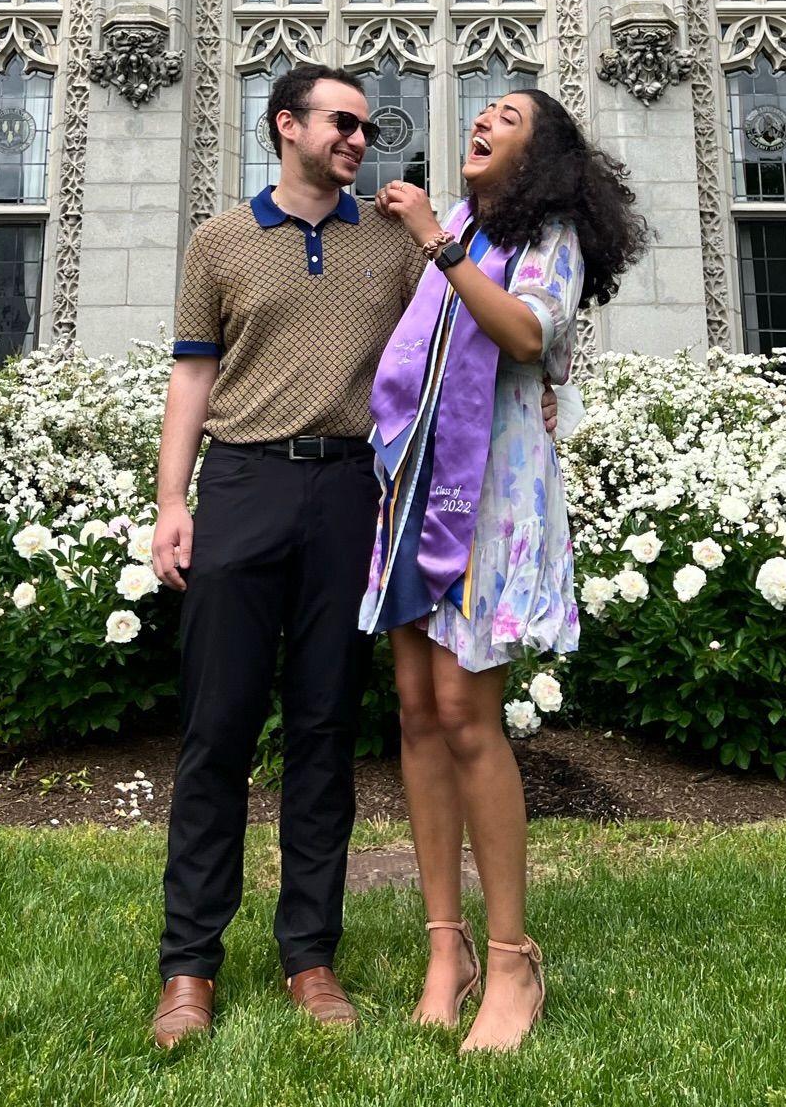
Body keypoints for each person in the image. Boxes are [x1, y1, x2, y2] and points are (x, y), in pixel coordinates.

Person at [146, 64, 559, 1049]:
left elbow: (467, 333)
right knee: (218, 732)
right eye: (343, 123)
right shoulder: (218, 242)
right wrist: (170, 500)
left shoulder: (396, 244)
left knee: (325, 734)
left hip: (354, 500)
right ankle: (189, 969)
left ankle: (310, 958)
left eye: (368, 128)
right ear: (285, 126)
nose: (360, 140)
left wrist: (546, 402)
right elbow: (191, 379)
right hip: (242, 484)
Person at [362, 88, 646, 1053]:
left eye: (507, 117)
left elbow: (525, 336)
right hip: (416, 488)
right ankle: (447, 951)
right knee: (413, 710)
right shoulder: (463, 235)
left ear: (540, 155)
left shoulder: (544, 237)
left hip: (489, 501)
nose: (481, 120)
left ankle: (512, 954)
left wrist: (435, 246)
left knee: (465, 715)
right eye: (480, 112)